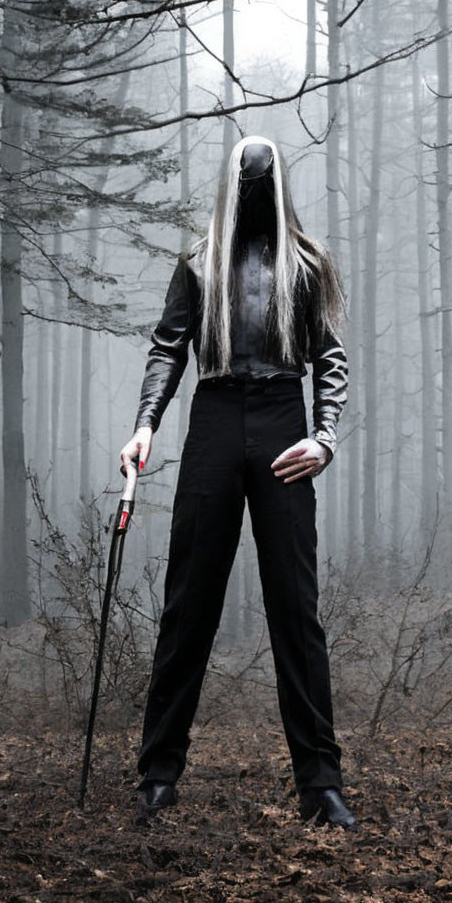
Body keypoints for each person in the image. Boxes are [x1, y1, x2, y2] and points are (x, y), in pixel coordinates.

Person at [119, 135, 355, 827]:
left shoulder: (308, 263)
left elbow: (330, 358)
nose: (255, 188)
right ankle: (158, 775)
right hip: (215, 417)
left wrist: (324, 438)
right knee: (188, 606)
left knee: (295, 611)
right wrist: (144, 424)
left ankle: (321, 784)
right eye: (245, 179)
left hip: (284, 420)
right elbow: (169, 347)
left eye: (264, 178)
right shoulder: (198, 261)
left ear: (277, 182)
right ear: (233, 182)